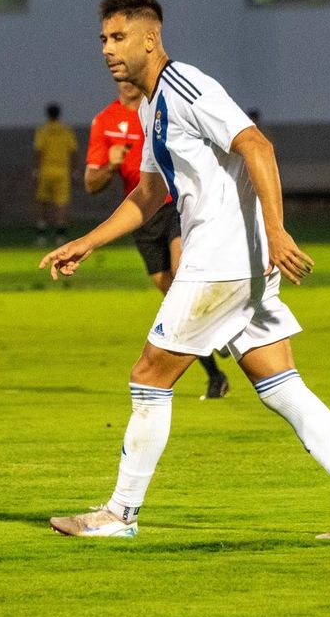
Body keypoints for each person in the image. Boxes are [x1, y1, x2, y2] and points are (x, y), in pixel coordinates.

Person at [41, 0, 330, 541]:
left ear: (150, 39)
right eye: (103, 40)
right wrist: (88, 240)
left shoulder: (186, 86)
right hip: (241, 262)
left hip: (221, 261)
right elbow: (151, 190)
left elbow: (257, 145)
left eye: (118, 38)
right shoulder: (148, 104)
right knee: (279, 382)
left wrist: (277, 231)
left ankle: (120, 513)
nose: (108, 51)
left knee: (149, 374)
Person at [85, 79, 231, 399]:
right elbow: (90, 182)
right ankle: (216, 373)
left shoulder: (162, 110)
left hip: (175, 206)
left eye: (129, 75)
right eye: (118, 77)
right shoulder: (104, 122)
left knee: (183, 277)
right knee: (174, 301)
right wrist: (110, 165)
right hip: (141, 215)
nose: (124, 82)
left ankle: (218, 326)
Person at [33, 103, 76, 246]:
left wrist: (36, 170)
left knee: (43, 202)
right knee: (61, 203)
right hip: (62, 171)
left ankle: (42, 235)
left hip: (45, 171)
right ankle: (60, 236)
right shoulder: (66, 131)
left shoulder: (43, 131)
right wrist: (74, 170)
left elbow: (39, 151)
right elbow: (73, 151)